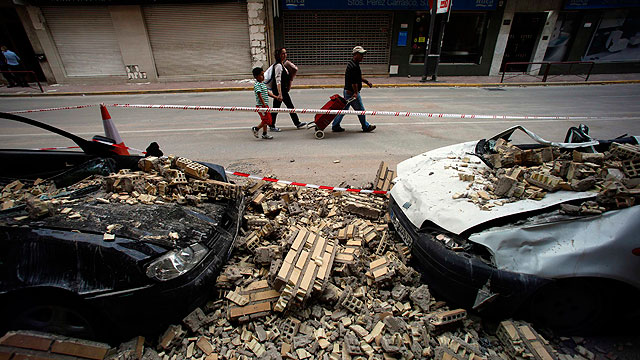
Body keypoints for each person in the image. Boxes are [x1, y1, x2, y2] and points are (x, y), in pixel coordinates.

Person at [331, 46, 376, 133]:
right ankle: (365, 126)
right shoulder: (354, 66)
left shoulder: (353, 64)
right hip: (351, 92)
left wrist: (366, 82)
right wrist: (355, 93)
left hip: (348, 91)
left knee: (343, 110)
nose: (363, 56)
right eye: (361, 54)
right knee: (361, 110)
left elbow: (357, 77)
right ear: (355, 55)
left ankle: (335, 125)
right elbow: (354, 82)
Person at [268, 48, 306, 132]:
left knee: (284, 107)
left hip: (282, 90)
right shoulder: (278, 66)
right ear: (278, 55)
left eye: (285, 53)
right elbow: (278, 80)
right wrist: (280, 94)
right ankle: (272, 124)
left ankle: (296, 123)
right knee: (278, 108)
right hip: (280, 90)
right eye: (283, 54)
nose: (285, 55)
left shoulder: (282, 64)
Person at [252, 66, 277, 140]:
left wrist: (275, 97)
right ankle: (256, 128)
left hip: (265, 105)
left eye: (263, 75)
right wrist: (263, 105)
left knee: (265, 119)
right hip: (261, 106)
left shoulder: (263, 84)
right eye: (261, 75)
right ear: (256, 76)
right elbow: (259, 95)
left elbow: (267, 93)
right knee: (267, 120)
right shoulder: (257, 85)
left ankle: (265, 133)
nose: (263, 77)